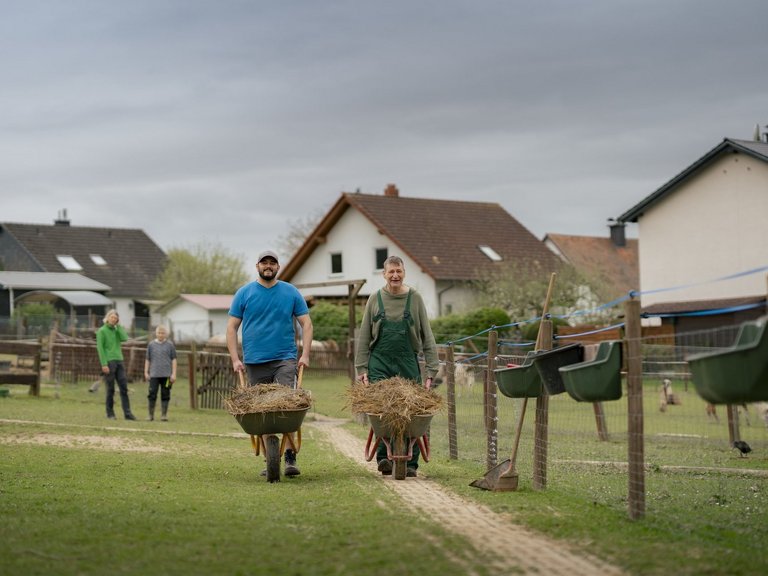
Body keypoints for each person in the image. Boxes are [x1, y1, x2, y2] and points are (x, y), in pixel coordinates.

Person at [226, 250, 313, 477]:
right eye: (264, 262)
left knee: (286, 407)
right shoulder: (244, 293)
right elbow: (231, 328)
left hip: (285, 359)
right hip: (254, 361)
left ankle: (289, 456)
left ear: (278, 267)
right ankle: (269, 459)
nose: (268, 266)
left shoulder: (290, 292)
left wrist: (305, 354)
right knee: (261, 412)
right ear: (257, 266)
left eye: (272, 263)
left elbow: (306, 323)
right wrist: (236, 359)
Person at [355, 255, 439, 478]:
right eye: (390, 272)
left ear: (404, 273)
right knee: (383, 409)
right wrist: (362, 369)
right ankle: (384, 458)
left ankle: (411, 462)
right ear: (384, 274)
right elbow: (364, 337)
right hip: (379, 361)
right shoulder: (375, 299)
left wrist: (431, 370)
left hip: (407, 360)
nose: (395, 276)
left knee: (410, 410)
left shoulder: (415, 299)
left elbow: (427, 336)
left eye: (398, 271)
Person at [96, 309, 137, 421]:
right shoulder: (101, 331)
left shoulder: (116, 330)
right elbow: (100, 348)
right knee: (110, 389)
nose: (114, 319)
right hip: (109, 362)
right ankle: (110, 414)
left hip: (119, 361)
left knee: (124, 388)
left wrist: (118, 326)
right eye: (112, 317)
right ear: (107, 318)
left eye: (116, 318)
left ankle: (128, 414)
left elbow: (124, 338)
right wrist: (104, 364)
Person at [144, 325, 177, 422]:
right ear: (156, 333)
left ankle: (164, 415)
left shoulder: (170, 345)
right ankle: (150, 415)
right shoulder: (151, 345)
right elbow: (147, 359)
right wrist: (146, 372)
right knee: (152, 393)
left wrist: (173, 374)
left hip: (166, 376)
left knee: (165, 393)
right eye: (159, 333)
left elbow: (174, 360)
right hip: (154, 375)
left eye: (162, 333)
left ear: (166, 334)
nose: (160, 335)